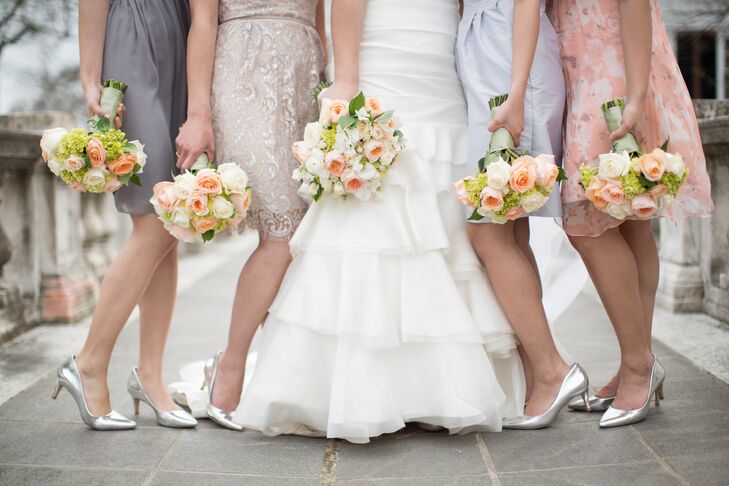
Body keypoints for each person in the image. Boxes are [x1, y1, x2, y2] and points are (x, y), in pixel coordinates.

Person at [232, 0, 524, 444]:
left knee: (441, 192)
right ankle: (370, 389)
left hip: (438, 52)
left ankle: (434, 385)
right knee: (378, 204)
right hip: (383, 49)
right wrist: (347, 78)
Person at [551, 0, 713, 427]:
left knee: (586, 223)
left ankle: (639, 365)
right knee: (629, 224)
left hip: (613, 73)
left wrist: (637, 97)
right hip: (582, 66)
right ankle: (635, 364)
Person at [174, 0, 327, 430]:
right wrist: (198, 114)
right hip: (245, 74)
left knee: (307, 228)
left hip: (305, 79)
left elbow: (321, 20)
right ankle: (231, 365)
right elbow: (202, 22)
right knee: (283, 232)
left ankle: (260, 366)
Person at [53, 0, 198, 430]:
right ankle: (89, 364)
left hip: (184, 34)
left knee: (172, 220)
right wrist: (90, 78)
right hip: (133, 33)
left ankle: (149, 375)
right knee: (154, 216)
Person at [455, 0, 589, 429]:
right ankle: (540, 372)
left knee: (487, 232)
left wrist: (515, 94)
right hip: (491, 50)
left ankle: (553, 369)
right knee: (510, 232)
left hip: (512, 58)